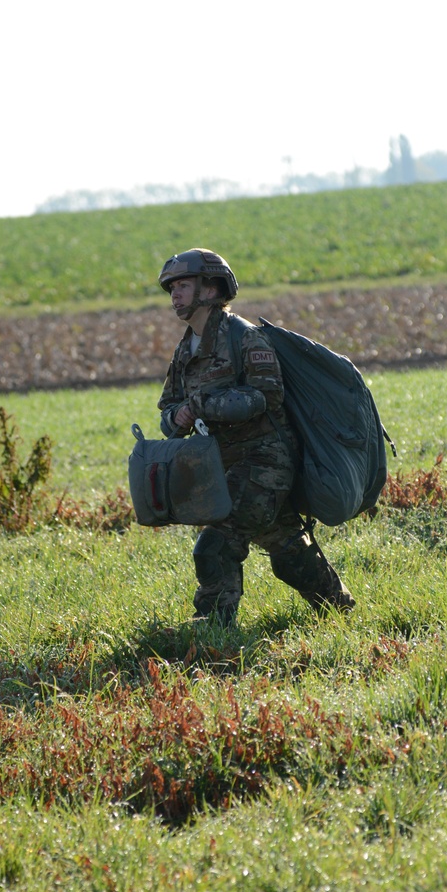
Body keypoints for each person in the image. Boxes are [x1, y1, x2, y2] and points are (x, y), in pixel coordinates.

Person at [156, 248, 354, 625]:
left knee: (216, 544)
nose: (175, 295)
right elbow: (167, 410)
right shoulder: (186, 349)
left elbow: (265, 396)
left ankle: (214, 626)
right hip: (225, 465)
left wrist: (202, 405)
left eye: (183, 285)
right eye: (172, 288)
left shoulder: (244, 338)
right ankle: (339, 608)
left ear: (211, 289)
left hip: (266, 460)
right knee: (290, 554)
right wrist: (177, 416)